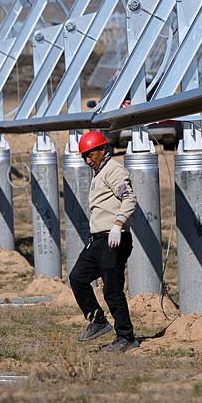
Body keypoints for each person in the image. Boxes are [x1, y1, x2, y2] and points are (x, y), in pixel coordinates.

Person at [68, 131, 139, 353]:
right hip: (98, 240)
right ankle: (98, 321)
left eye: (91, 155)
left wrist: (118, 225)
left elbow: (129, 198)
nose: (88, 160)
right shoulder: (99, 173)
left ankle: (126, 337)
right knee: (77, 277)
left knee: (112, 289)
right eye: (84, 157)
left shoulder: (113, 170)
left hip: (113, 238)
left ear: (103, 150)